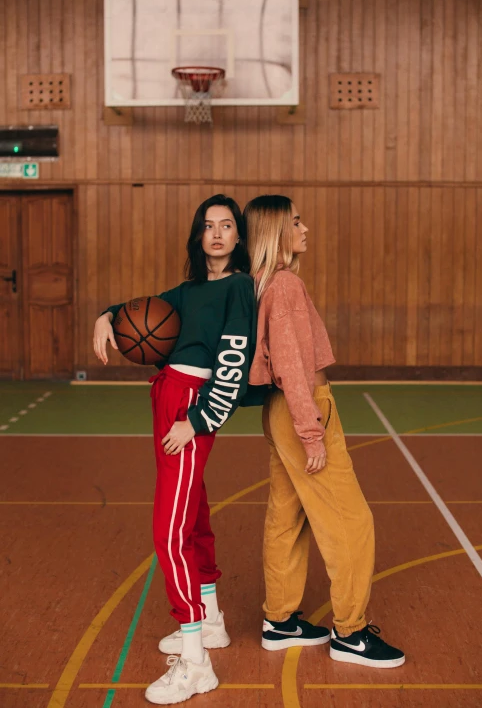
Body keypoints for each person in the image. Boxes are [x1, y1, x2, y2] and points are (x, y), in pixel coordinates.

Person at [93, 194, 257, 704]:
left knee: (168, 531)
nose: (216, 234)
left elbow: (232, 362)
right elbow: (141, 310)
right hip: (169, 397)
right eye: (208, 226)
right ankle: (209, 621)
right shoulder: (189, 291)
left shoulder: (239, 289)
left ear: (238, 236)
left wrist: (198, 419)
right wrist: (106, 315)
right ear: (197, 235)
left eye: (226, 226)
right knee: (194, 513)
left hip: (191, 405)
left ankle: (195, 662)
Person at [244, 195, 405, 668]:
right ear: (277, 231)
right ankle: (351, 634)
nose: (305, 227)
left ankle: (280, 620)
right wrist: (312, 432)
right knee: (351, 522)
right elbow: (293, 364)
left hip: (277, 410)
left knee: (286, 518)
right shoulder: (287, 285)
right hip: (303, 407)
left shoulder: (260, 283)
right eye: (296, 221)